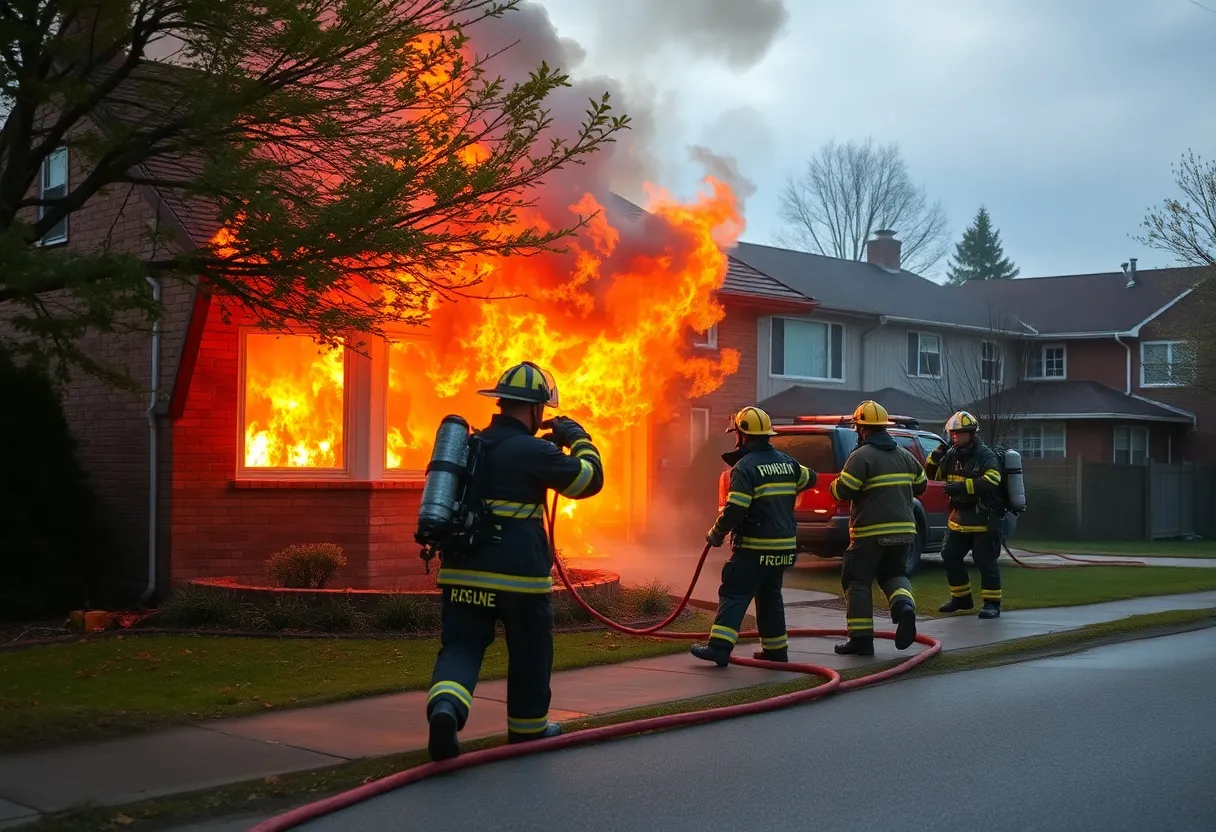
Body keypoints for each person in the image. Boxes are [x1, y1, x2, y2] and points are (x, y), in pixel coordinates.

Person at [425, 361, 604, 761]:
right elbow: (590, 480)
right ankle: (528, 729)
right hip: (518, 580)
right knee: (530, 650)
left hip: (463, 572)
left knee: (461, 647)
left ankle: (445, 710)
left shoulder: (473, 445)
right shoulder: (533, 450)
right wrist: (579, 438)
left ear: (501, 402)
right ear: (537, 409)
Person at [690, 406, 816, 667]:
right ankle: (776, 650)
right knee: (770, 595)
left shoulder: (744, 467)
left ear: (742, 435)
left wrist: (716, 532)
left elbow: (736, 508)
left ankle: (719, 648)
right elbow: (810, 478)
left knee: (734, 592)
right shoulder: (787, 461)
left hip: (755, 546)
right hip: (783, 547)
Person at [828, 400, 927, 656]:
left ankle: (861, 640)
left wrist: (834, 485)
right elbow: (922, 485)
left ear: (862, 429)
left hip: (869, 533)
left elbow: (844, 490)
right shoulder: (905, 455)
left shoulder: (860, 457)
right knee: (893, 574)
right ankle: (904, 606)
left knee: (857, 580)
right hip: (905, 531)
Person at [925, 410, 1004, 619]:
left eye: (958, 434)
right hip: (957, 519)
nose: (954, 437)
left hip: (982, 520)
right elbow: (933, 474)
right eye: (952, 434)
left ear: (971, 434)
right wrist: (935, 456)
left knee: (984, 562)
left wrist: (962, 487)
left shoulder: (985, 455)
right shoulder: (951, 454)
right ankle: (961, 598)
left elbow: (992, 480)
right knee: (949, 556)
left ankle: (992, 604)